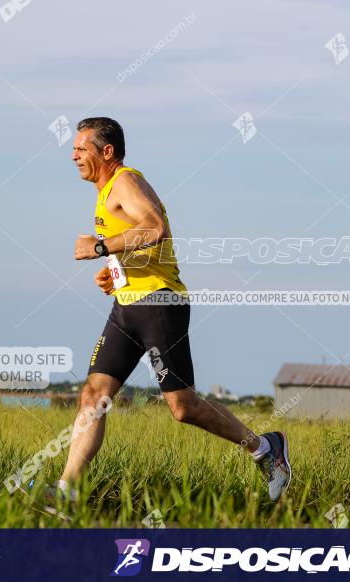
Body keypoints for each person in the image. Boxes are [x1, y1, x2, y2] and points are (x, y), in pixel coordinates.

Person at [55, 117, 291, 503]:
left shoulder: (125, 182)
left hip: (159, 304)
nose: (74, 155)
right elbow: (144, 246)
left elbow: (154, 227)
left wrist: (100, 248)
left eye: (81, 149)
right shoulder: (106, 191)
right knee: (93, 395)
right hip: (127, 305)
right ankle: (66, 492)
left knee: (183, 408)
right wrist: (116, 271)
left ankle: (265, 449)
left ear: (106, 152)